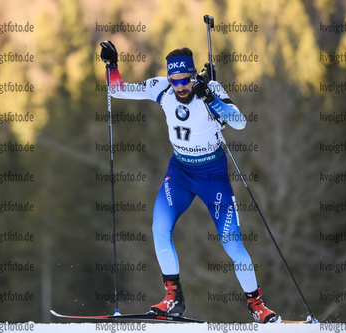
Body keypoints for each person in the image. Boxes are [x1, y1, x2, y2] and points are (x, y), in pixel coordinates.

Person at [99, 40, 277, 323]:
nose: (180, 87)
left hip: (213, 176)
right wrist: (112, 67)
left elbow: (240, 121)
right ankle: (173, 299)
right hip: (180, 172)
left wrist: (210, 98)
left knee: (232, 244)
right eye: (175, 81)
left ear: (194, 76)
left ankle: (256, 305)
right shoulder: (161, 88)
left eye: (185, 81)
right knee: (159, 228)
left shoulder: (211, 89)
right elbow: (117, 90)